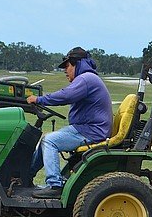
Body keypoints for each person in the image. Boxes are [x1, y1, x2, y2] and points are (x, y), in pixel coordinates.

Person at [25, 46, 112, 198]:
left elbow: (66, 96)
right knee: (46, 138)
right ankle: (25, 177)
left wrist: (39, 99)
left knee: (50, 141)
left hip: (91, 131)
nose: (65, 70)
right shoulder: (87, 79)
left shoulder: (86, 79)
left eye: (67, 66)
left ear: (77, 64)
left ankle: (55, 185)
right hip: (84, 128)